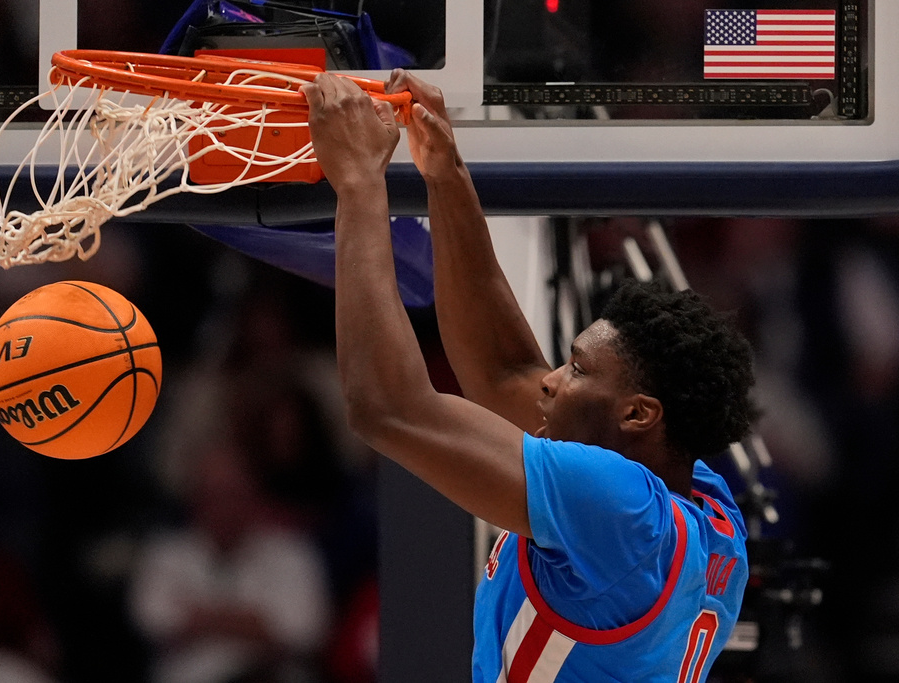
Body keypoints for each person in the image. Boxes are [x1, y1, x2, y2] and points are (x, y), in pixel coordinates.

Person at [300, 70, 757, 681]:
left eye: (577, 370)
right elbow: (503, 372)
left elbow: (386, 407)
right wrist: (445, 173)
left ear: (637, 413)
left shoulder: (621, 513)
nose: (551, 379)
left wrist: (358, 183)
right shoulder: (707, 509)